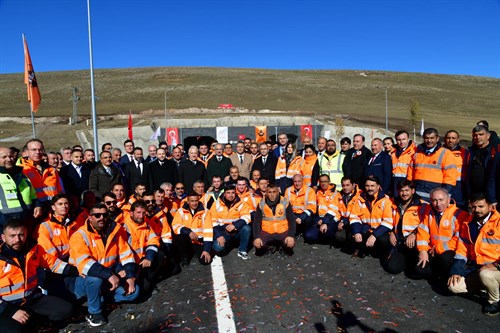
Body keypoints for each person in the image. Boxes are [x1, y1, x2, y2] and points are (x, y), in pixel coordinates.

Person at [68, 203, 139, 327]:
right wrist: (110, 275)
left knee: (134, 292)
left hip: (108, 276)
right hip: (84, 279)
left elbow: (127, 255)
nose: (101, 218)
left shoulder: (114, 231)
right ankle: (94, 312)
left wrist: (130, 277)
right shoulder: (79, 236)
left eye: (104, 215)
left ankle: (99, 298)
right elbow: (85, 264)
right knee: (95, 280)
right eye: (97, 215)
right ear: (90, 217)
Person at [0, 218, 77, 332]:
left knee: (67, 310)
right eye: (12, 236)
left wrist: (79, 271)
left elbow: (53, 264)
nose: (17, 239)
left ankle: (34, 321)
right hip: (7, 306)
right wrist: (11, 311)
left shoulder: (34, 249)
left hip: (33, 300)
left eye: (21, 235)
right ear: (3, 237)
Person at [448, 193, 500, 316]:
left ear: (490, 207)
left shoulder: (498, 223)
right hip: (477, 268)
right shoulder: (468, 224)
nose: (477, 210)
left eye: (481, 206)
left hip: (495, 269)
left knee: (486, 274)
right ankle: (488, 287)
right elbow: (462, 250)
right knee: (453, 286)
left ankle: (494, 301)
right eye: (473, 207)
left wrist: (496, 265)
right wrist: (456, 271)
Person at [415, 188, 469, 280]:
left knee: (445, 259)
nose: (438, 204)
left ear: (448, 200)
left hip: (449, 251)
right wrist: (423, 250)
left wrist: (438, 248)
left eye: (441, 200)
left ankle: (446, 275)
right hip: (432, 250)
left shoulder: (459, 214)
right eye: (434, 200)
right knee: (420, 270)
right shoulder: (429, 212)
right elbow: (423, 232)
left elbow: (459, 238)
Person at [384, 180, 427, 274]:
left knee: (419, 272)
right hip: (399, 242)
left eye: (407, 190)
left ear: (413, 191)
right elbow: (388, 220)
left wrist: (415, 234)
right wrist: (391, 232)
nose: (404, 193)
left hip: (415, 242)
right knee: (392, 268)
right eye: (401, 191)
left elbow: (426, 225)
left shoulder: (423, 205)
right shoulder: (394, 204)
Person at [121, 201, 163, 295]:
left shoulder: (146, 224)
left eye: (143, 213)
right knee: (139, 290)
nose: (141, 216)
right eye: (138, 213)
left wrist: (149, 257)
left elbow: (153, 240)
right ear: (131, 213)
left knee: (159, 255)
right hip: (130, 262)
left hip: (142, 259)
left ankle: (149, 279)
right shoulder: (123, 226)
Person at [407, 128, 458, 202]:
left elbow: (450, 178)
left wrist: (443, 196)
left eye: (432, 138)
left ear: (437, 138)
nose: (429, 141)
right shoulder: (417, 154)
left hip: (435, 197)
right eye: (426, 138)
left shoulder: (446, 153)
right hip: (417, 195)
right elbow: (410, 174)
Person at [349, 176, 393, 258]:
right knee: (352, 236)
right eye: (367, 186)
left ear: (378, 186)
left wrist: (374, 235)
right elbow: (354, 216)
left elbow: (388, 221)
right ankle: (364, 249)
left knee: (383, 240)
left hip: (381, 231)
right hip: (366, 228)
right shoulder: (360, 199)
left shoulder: (386, 200)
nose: (370, 188)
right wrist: (356, 231)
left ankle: (379, 253)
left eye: (372, 186)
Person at [0, 146, 41, 233]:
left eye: (11, 156)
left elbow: (33, 195)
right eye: (4, 157)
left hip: (27, 219)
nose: (9, 159)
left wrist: (37, 205)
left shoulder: (22, 175)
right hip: (5, 223)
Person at [253, 183, 296, 257]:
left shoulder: (285, 202)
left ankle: (282, 248)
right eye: (269, 192)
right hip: (267, 231)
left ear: (278, 192)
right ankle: (270, 247)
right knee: (258, 245)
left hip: (282, 230)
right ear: (266, 193)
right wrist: (256, 237)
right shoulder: (261, 203)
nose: (272, 194)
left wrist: (291, 235)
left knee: (290, 243)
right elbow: (256, 222)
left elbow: (292, 220)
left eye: (274, 192)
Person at [172, 192, 213, 267]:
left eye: (196, 201)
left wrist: (206, 250)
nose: (194, 203)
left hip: (199, 241)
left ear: (199, 200)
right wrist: (189, 232)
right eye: (192, 201)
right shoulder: (181, 211)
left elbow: (208, 231)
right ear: (187, 201)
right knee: (179, 237)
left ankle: (196, 251)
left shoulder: (206, 212)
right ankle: (185, 257)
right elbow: (175, 226)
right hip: (186, 239)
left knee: (205, 261)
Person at [211, 185, 252, 259]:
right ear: (224, 194)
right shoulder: (216, 204)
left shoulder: (241, 203)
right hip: (223, 231)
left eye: (233, 193)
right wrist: (219, 235)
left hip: (236, 230)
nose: (230, 195)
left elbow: (247, 217)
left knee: (247, 228)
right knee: (217, 247)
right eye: (228, 193)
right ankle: (229, 243)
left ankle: (242, 250)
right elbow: (212, 221)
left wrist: (235, 225)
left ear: (235, 193)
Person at [22, 139, 64, 206]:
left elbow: (60, 191)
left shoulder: (51, 169)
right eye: (34, 149)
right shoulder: (22, 170)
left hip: (52, 207)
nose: (38, 152)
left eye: (40, 149)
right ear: (27, 152)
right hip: (34, 208)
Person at [304, 174, 337, 244]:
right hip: (320, 219)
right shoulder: (317, 192)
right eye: (321, 182)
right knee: (308, 236)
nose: (323, 183)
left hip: (331, 219)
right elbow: (314, 209)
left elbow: (333, 210)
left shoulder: (335, 193)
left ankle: (330, 239)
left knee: (328, 232)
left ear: (329, 182)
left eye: (325, 181)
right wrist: (318, 220)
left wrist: (325, 222)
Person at [443, 130, 469, 208]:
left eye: (453, 138)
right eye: (448, 138)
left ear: (458, 140)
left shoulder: (466, 153)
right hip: (443, 186)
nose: (450, 140)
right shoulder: (439, 152)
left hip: (459, 188)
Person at [332, 177, 361, 246]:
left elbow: (356, 213)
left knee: (353, 237)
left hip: (358, 222)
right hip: (345, 221)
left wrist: (343, 221)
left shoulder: (359, 195)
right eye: (343, 185)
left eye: (348, 185)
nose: (345, 187)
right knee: (338, 235)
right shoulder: (339, 195)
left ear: (353, 185)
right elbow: (335, 210)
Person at [468, 125, 495, 198]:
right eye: (475, 135)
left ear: (488, 135)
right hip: (472, 193)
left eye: (481, 134)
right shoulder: (469, 152)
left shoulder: (495, 151)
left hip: (491, 193)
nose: (478, 137)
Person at [391, 130, 416, 197]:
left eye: (404, 139)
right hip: (395, 181)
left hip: (407, 181)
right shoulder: (393, 152)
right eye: (399, 140)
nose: (401, 142)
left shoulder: (414, 151)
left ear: (408, 139)